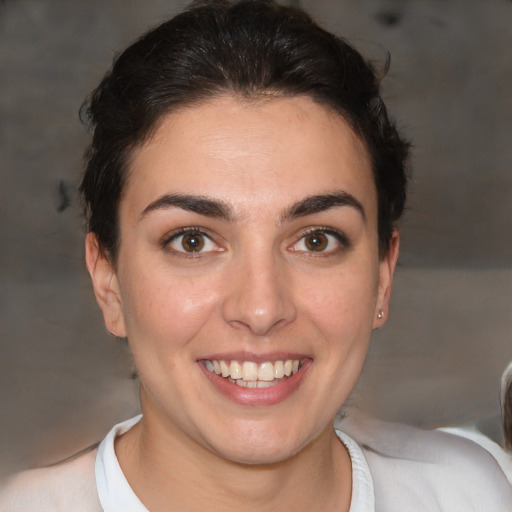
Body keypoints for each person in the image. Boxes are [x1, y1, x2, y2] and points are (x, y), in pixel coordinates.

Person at [1, 1, 511, 510]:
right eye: (193, 241)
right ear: (108, 281)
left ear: (383, 274)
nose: (261, 309)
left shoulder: (474, 492)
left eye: (316, 240)